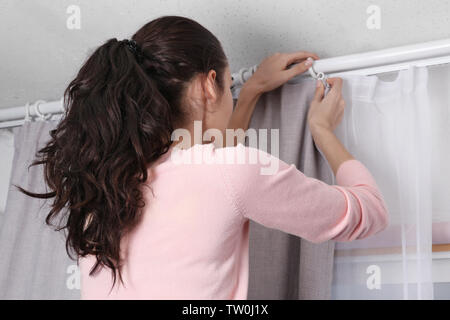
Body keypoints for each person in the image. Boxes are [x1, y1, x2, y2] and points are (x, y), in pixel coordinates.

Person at [15, 15, 389, 299]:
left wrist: (254, 89)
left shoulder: (105, 187)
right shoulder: (229, 171)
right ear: (208, 85)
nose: (232, 96)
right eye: (229, 87)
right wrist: (323, 132)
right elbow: (369, 213)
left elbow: (210, 168)